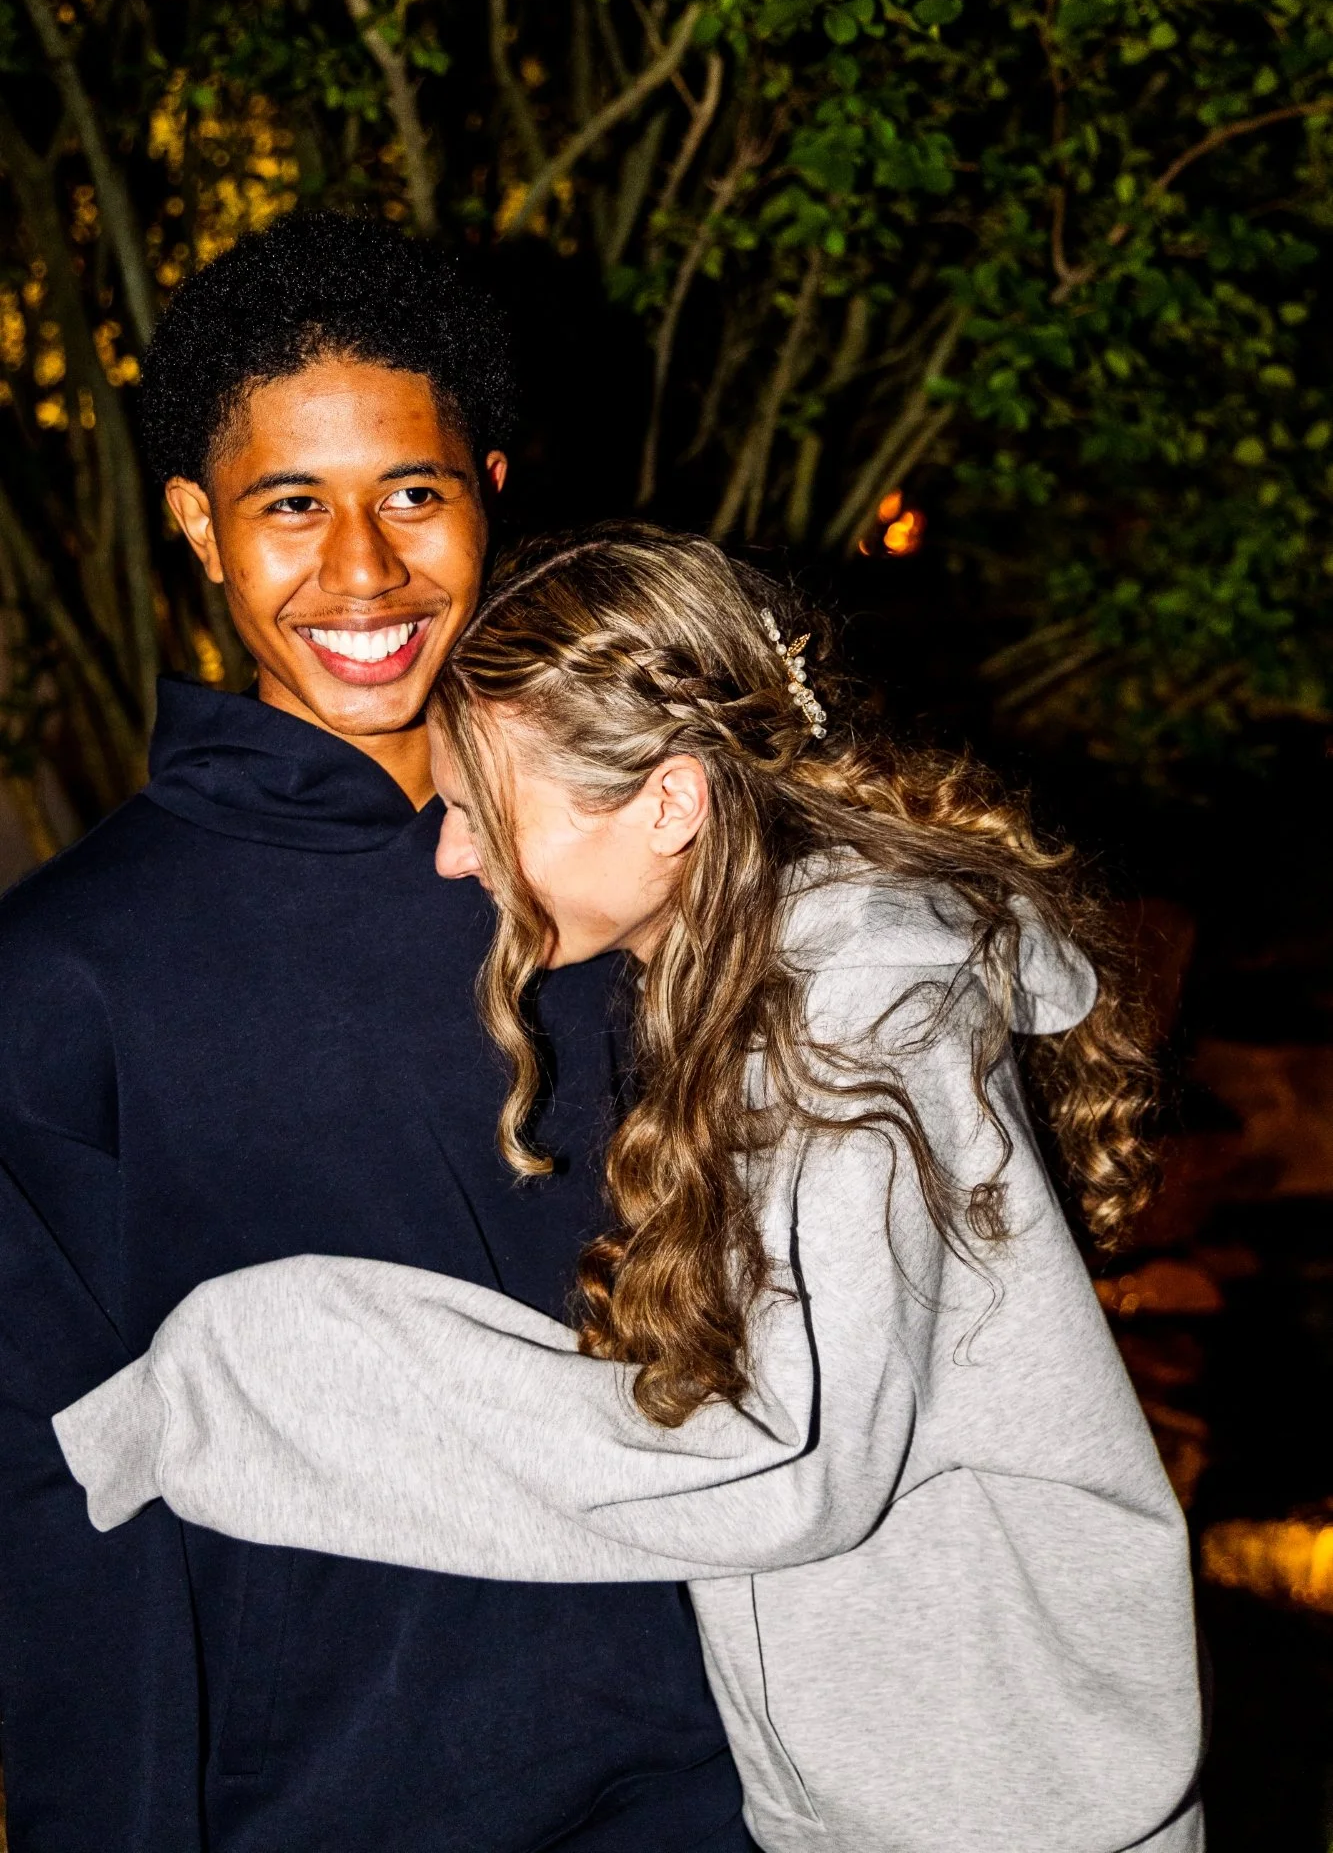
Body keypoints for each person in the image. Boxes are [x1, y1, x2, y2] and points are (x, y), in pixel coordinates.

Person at [56, 526, 1206, 1852]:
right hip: (923, 1790)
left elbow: (783, 1468)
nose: (448, 855)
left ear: (669, 804)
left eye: (484, 814)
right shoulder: (767, 978)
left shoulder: (850, 1031)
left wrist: (239, 1377)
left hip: (1014, 1811)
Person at [0, 227, 752, 1849]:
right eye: (291, 505)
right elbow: (54, 1505)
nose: (362, 572)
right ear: (199, 527)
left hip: (722, 1798)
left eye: (413, 494)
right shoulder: (67, 974)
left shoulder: (651, 886)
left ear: (487, 488)